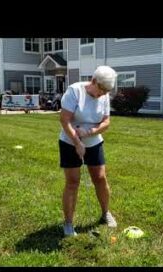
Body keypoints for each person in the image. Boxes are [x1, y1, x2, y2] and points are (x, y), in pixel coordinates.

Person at [59, 65, 118, 236]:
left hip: (94, 142)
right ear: (93, 81)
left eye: (107, 91)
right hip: (69, 142)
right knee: (73, 182)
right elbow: (64, 120)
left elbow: (106, 122)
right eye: (102, 90)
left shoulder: (104, 95)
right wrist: (77, 142)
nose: (104, 95)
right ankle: (69, 223)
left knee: (100, 178)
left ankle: (106, 213)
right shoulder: (74, 91)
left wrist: (90, 132)